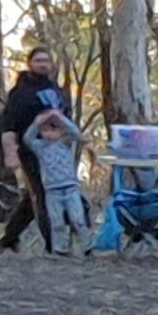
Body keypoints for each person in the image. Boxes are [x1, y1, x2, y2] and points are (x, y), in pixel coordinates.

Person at [0, 50, 67, 251]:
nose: (43, 64)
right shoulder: (21, 92)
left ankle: (9, 238)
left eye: (46, 60)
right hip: (30, 149)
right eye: (38, 60)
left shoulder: (57, 90)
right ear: (30, 64)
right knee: (43, 193)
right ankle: (53, 245)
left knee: (34, 197)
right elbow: (8, 124)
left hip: (56, 152)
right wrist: (10, 152)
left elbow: (66, 120)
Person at [27, 101, 95, 257]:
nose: (49, 134)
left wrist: (60, 117)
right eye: (45, 130)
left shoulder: (66, 143)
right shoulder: (40, 147)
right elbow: (27, 139)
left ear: (61, 131)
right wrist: (37, 123)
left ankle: (88, 246)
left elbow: (77, 134)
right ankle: (60, 249)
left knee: (77, 218)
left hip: (71, 187)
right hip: (52, 190)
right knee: (57, 222)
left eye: (53, 129)